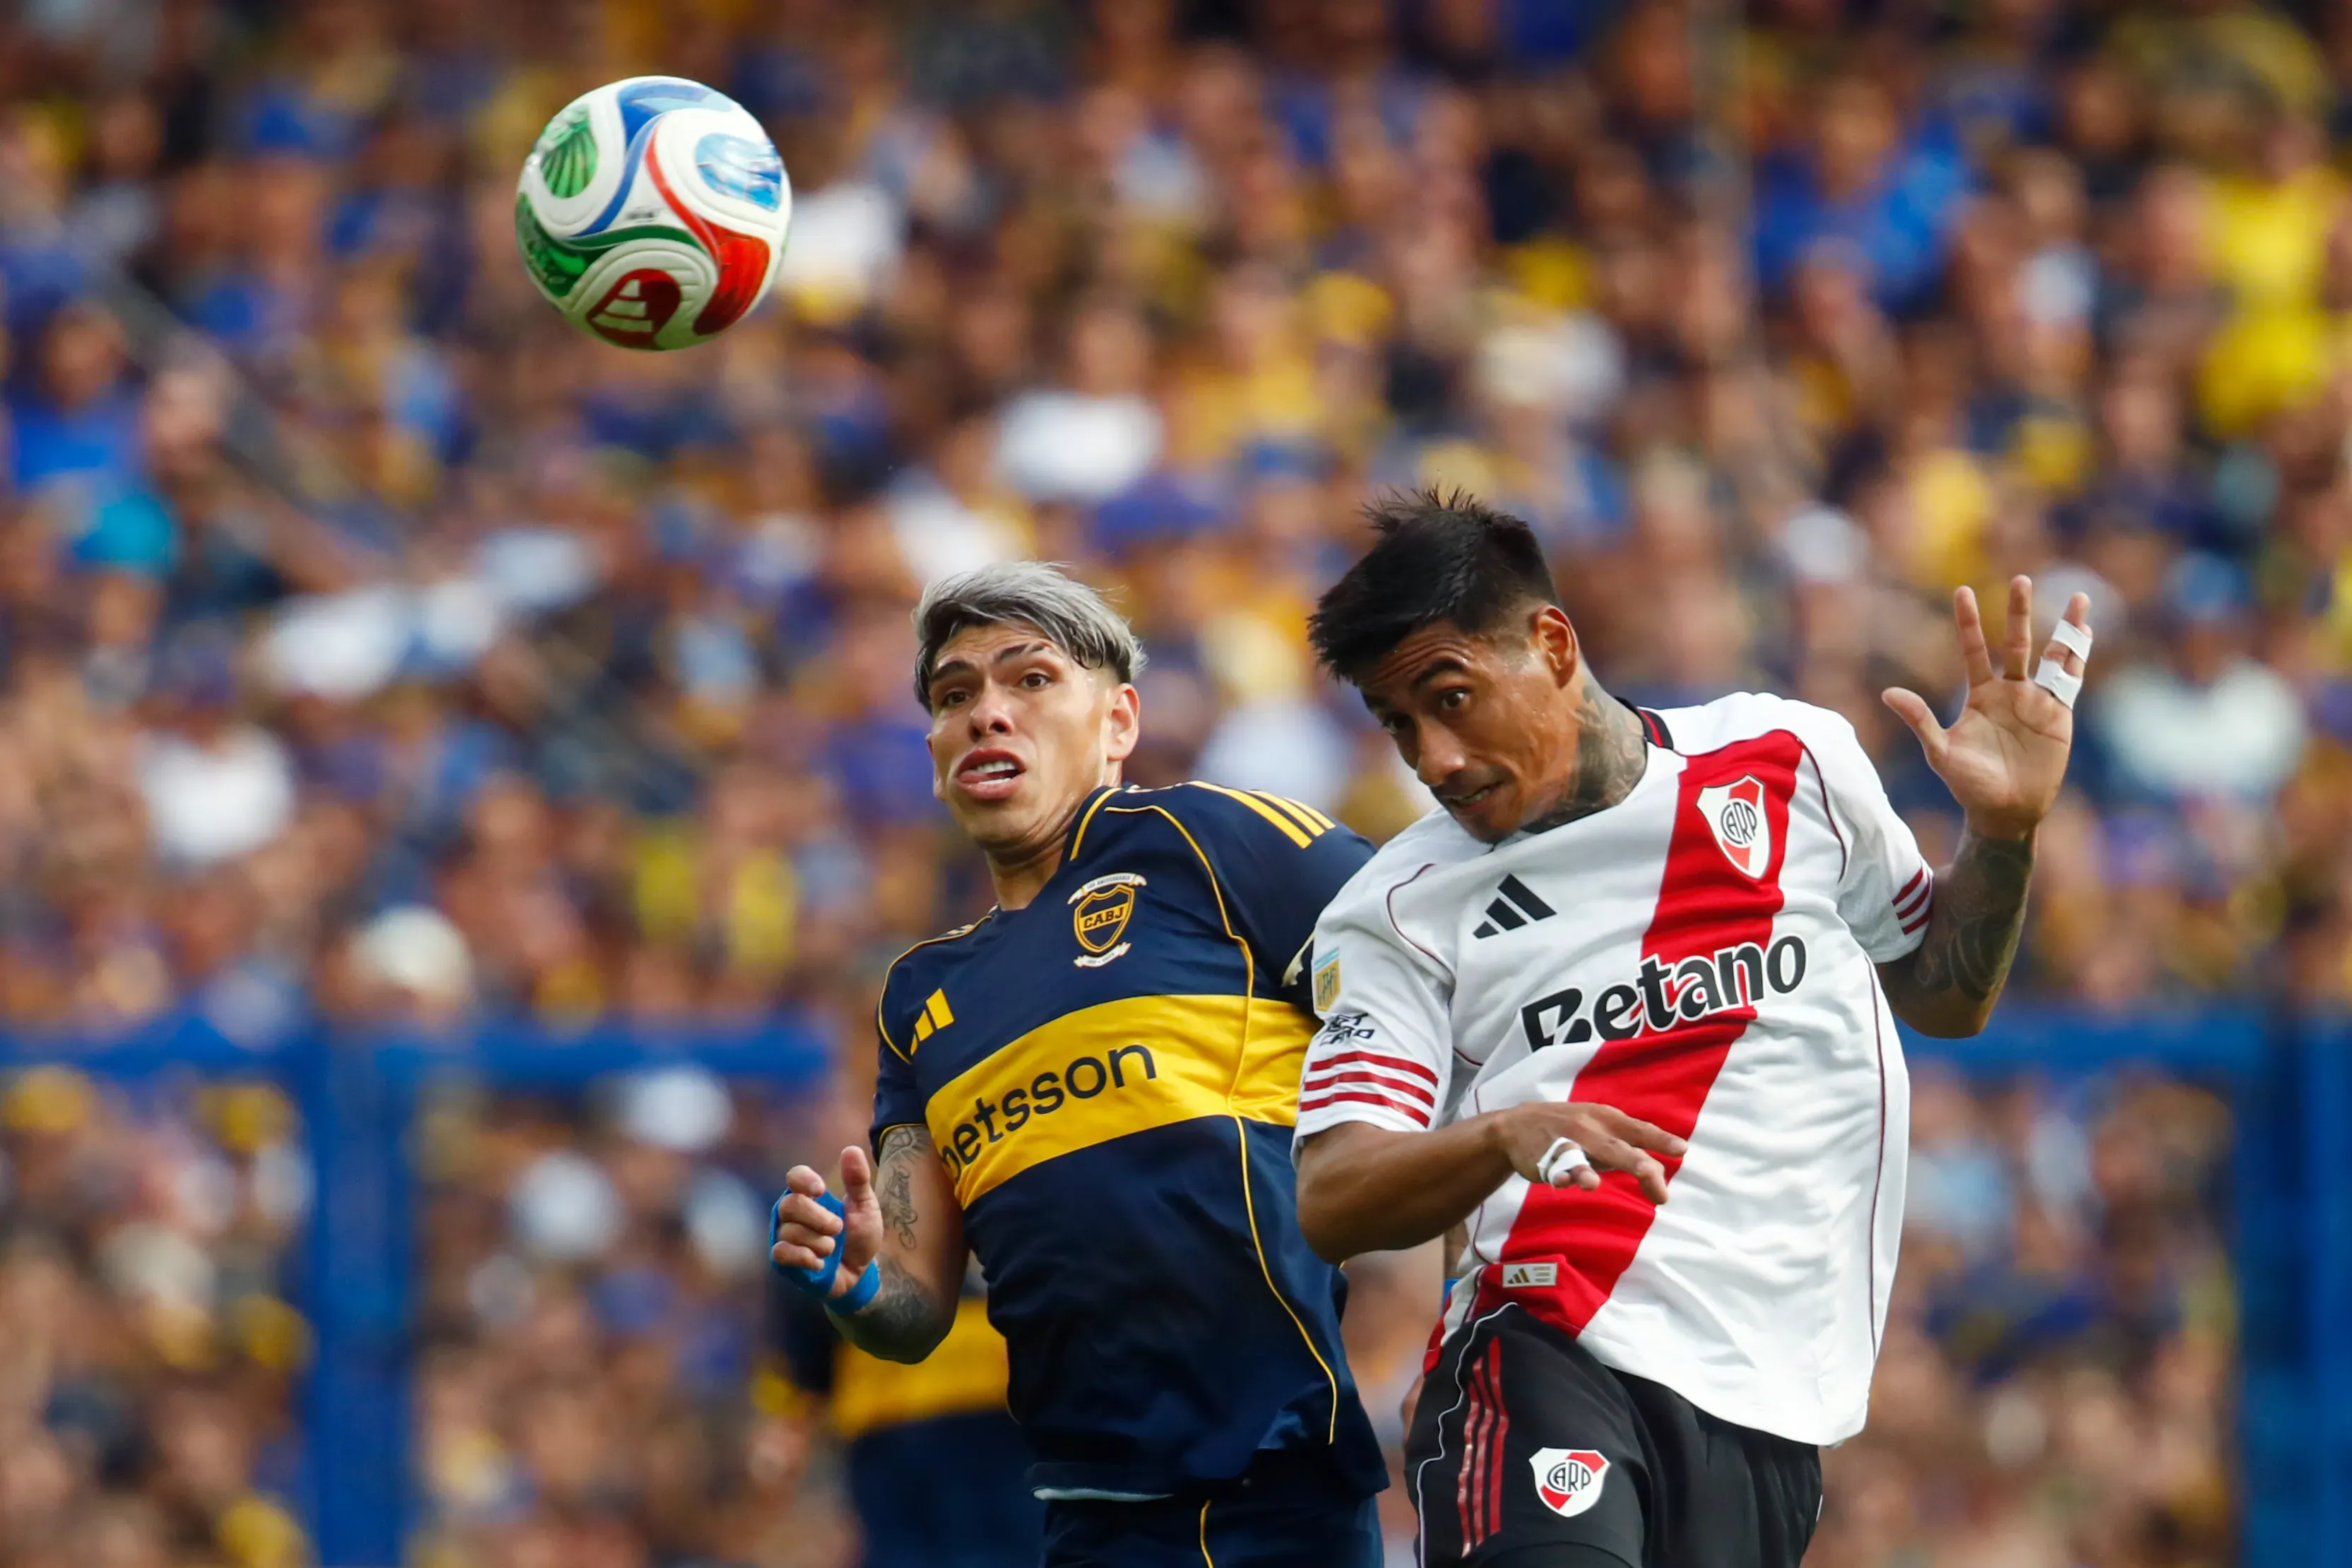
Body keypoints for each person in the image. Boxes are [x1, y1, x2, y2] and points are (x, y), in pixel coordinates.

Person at [1288, 492, 2091, 1568]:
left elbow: (1945, 995)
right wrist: (1497, 1136)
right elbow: (1335, 1197)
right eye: (1399, 726)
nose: (1432, 757)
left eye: (1451, 699)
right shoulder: (1400, 904)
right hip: (1540, 1349)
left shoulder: (1789, 761)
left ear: (1553, 644)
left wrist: (2000, 833)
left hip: (1771, 1397)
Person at [769, 562, 1388, 1567]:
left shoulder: (1214, 842)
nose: (986, 714)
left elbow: (1437, 979)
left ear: (1118, 722)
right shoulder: (918, 1001)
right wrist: (855, 1288)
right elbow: (915, 1303)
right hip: (1086, 1517)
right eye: (953, 695)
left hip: (1280, 1485)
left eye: (1031, 681)